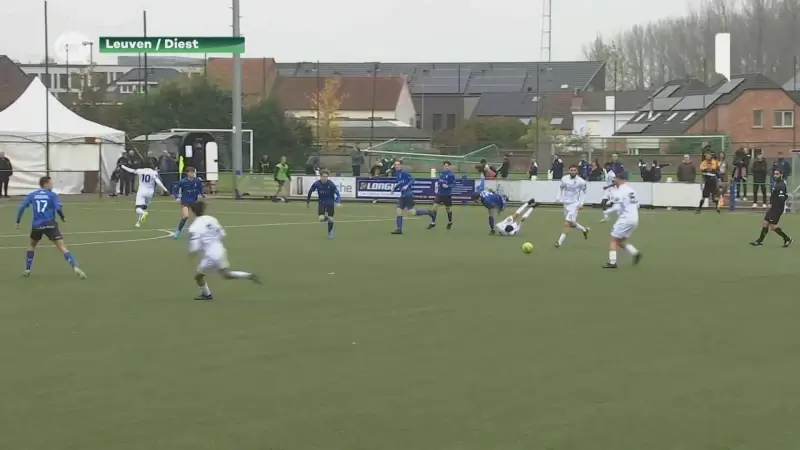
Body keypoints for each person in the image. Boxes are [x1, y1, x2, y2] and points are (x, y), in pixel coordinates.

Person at [15, 176, 87, 279]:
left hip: (37, 225)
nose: (52, 185)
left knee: (31, 245)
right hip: (50, 224)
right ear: (46, 184)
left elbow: (21, 207)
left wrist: (17, 221)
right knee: (61, 246)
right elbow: (58, 208)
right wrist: (62, 217)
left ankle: (27, 269)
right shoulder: (52, 195)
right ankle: (75, 266)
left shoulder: (32, 195)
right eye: (51, 183)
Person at [187, 201, 260, 301]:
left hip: (210, 256)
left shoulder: (194, 227)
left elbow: (194, 248)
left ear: (192, 211)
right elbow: (222, 234)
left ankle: (207, 295)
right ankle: (248, 275)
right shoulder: (212, 219)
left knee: (198, 277)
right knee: (226, 275)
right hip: (220, 250)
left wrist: (190, 257)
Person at [603, 172, 642, 268]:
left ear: (620, 179)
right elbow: (637, 205)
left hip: (625, 219)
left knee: (613, 240)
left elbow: (616, 207)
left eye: (615, 179)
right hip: (634, 219)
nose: (614, 181)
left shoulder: (620, 191)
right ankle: (635, 253)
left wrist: (606, 212)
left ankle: (612, 262)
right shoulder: (631, 190)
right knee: (620, 241)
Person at [750, 168, 792, 248]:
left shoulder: (781, 185)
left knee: (773, 226)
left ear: (781, 175)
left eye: (777, 174)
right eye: (774, 174)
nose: (775, 175)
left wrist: (775, 204)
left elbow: (783, 197)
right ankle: (759, 241)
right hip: (773, 208)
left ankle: (787, 238)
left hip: (777, 209)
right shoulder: (778, 183)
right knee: (765, 223)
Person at [120, 160, 169, 228]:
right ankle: (138, 223)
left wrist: (122, 166)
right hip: (150, 193)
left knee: (138, 209)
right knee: (144, 207)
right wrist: (165, 190)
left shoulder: (140, 170)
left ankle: (143, 213)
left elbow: (131, 170)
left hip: (142, 191)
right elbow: (158, 182)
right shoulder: (153, 172)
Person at [390, 160, 432, 234]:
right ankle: (399, 229)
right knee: (398, 211)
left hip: (408, 195)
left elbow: (412, 179)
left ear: (401, 165)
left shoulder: (404, 172)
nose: (396, 166)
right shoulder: (397, 173)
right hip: (403, 196)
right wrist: (394, 188)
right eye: (395, 164)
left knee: (412, 212)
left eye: (398, 164)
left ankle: (429, 212)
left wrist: (407, 185)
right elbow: (400, 183)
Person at [555, 164, 589, 248]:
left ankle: (559, 242)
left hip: (574, 205)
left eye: (575, 170)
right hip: (566, 204)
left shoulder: (581, 181)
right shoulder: (564, 179)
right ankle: (584, 230)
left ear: (577, 171)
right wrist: (558, 197)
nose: (573, 172)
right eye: (571, 170)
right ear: (569, 171)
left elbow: (585, 193)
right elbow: (561, 188)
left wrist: (581, 204)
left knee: (566, 223)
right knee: (572, 224)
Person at [306, 169, 341, 239]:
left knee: (331, 218)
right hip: (322, 202)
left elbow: (337, 194)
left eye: (326, 176)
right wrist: (308, 201)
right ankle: (329, 219)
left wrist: (338, 201)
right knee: (321, 218)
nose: (325, 178)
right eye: (324, 176)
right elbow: (310, 191)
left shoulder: (330, 183)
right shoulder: (317, 184)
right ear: (320, 176)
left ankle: (330, 232)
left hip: (330, 202)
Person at [171, 167, 205, 239]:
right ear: (187, 173)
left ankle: (196, 233)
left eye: (193, 172)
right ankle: (178, 232)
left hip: (194, 201)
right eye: (191, 172)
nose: (192, 173)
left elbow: (200, 188)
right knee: (185, 216)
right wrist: (176, 197)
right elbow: (175, 189)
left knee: (198, 218)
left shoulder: (197, 181)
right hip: (185, 201)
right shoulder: (183, 181)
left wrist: (202, 194)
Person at [427, 161, 456, 230]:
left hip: (447, 195)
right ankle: (433, 223)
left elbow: (454, 184)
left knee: (448, 209)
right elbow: (439, 180)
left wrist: (448, 186)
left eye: (447, 166)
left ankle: (450, 222)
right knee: (434, 208)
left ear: (449, 166)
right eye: (445, 165)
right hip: (440, 194)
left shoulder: (451, 174)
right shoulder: (441, 173)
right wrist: (440, 183)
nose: (445, 167)